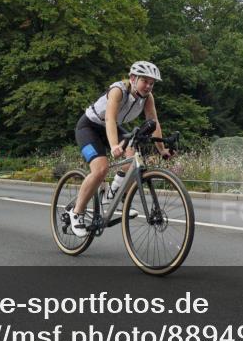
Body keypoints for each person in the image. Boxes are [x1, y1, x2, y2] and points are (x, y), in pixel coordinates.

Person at [64, 62, 174, 237]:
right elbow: (109, 118)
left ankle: (112, 196)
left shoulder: (147, 98)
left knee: (133, 157)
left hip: (111, 127)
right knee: (100, 169)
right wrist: (114, 145)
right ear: (132, 78)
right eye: (145, 81)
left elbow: (154, 122)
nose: (148, 86)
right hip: (89, 127)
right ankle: (76, 212)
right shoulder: (118, 90)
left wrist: (161, 149)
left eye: (152, 83)